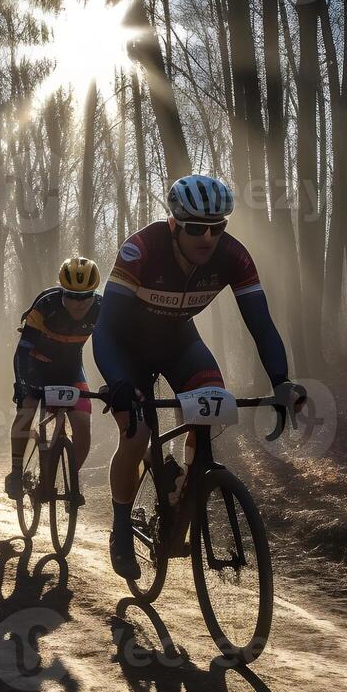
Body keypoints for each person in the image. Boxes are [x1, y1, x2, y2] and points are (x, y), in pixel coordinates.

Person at [92, 174, 304, 579]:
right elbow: (104, 329)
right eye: (195, 228)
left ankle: (184, 492)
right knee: (136, 435)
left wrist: (281, 381)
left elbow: (261, 323)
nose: (207, 237)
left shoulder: (234, 256)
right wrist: (118, 382)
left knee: (213, 407)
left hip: (179, 342)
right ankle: (120, 530)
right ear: (174, 223)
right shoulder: (141, 249)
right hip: (126, 348)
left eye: (217, 227)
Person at [7, 257, 102, 501]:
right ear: (62, 290)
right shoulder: (46, 305)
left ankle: (60, 478)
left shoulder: (102, 307)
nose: (79, 303)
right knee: (26, 409)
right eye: (72, 295)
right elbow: (22, 350)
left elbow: (114, 346)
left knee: (82, 425)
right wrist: (22, 383)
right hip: (36, 367)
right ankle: (16, 471)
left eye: (85, 296)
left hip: (71, 370)